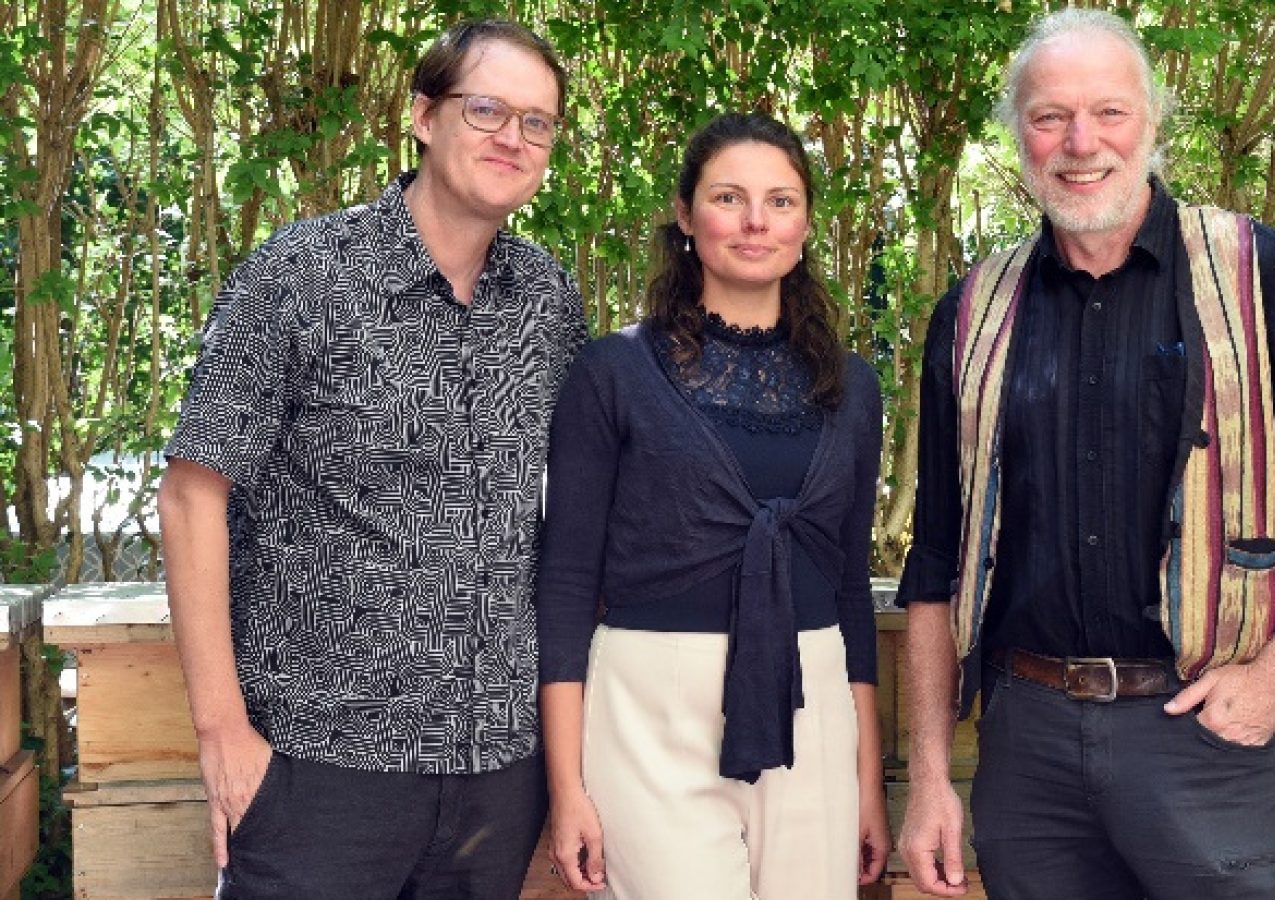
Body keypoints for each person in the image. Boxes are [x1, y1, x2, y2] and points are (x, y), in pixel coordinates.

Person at [894, 9, 1275, 900]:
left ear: (1152, 123)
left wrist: (1274, 679)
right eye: (1049, 116)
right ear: (1017, 136)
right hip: (1028, 753)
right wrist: (934, 779)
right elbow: (937, 559)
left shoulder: (1262, 273)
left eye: (1109, 112)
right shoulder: (972, 310)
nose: (1079, 142)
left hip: (1204, 743)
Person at [157, 19, 587, 899]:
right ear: (423, 116)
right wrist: (221, 731)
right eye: (486, 109)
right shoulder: (302, 273)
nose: (513, 136)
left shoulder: (548, 300)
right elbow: (191, 493)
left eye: (537, 121)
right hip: (318, 766)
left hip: (496, 775)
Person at [535, 111, 891, 900]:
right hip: (650, 715)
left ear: (805, 224)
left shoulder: (854, 388)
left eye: (782, 200)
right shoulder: (614, 372)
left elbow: (848, 591)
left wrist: (867, 777)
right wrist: (568, 791)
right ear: (685, 215)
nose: (757, 221)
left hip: (815, 706)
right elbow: (563, 588)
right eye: (729, 197)